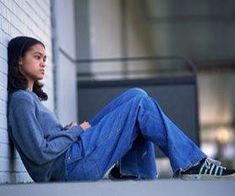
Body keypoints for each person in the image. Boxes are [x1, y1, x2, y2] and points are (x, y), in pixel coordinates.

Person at [7, 36, 235, 182]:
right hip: (69, 167)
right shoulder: (21, 101)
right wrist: (75, 132)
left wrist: (65, 131)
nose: (43, 62)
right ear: (19, 61)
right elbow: (39, 153)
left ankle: (132, 171)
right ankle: (190, 163)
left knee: (136, 94)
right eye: (37, 57)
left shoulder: (31, 99)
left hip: (72, 157)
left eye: (45, 58)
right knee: (139, 105)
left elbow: (45, 143)